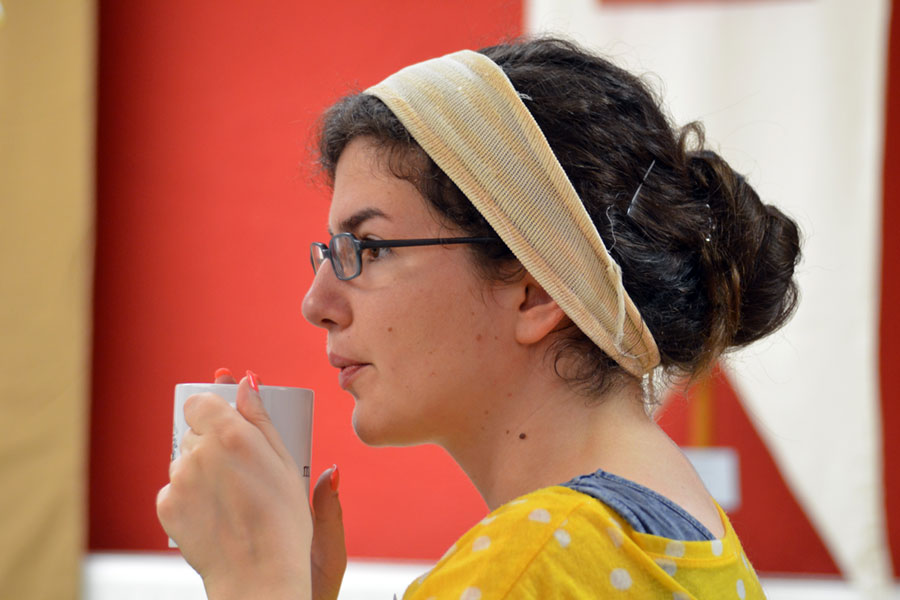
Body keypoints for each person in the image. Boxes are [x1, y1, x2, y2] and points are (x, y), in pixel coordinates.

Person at [157, 38, 800, 599]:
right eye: (331, 252)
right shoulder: (685, 532)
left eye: (370, 248)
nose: (316, 304)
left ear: (535, 291)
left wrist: (258, 584)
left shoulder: (528, 568)